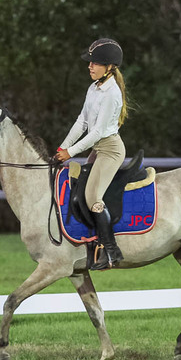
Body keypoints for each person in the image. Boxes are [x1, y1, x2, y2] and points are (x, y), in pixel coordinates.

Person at [55, 38, 129, 270]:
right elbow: (82, 122)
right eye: (90, 63)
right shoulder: (94, 87)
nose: (90, 66)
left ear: (110, 67)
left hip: (110, 150)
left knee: (93, 197)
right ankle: (89, 243)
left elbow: (96, 132)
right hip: (98, 149)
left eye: (96, 63)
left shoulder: (112, 93)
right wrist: (62, 147)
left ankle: (111, 251)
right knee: (77, 191)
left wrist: (71, 152)